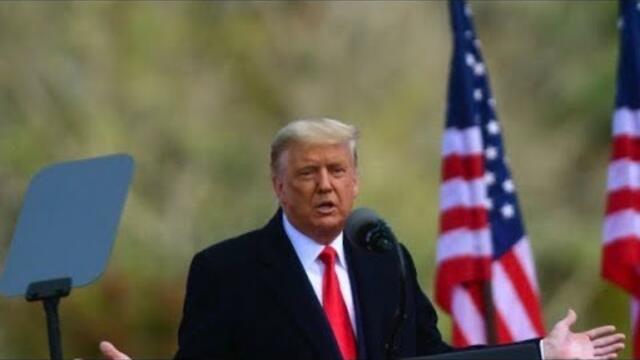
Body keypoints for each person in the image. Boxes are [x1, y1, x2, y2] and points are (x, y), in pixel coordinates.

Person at [100, 118, 625, 360]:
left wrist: (540, 354)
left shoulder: (383, 258)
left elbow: (431, 359)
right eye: (307, 173)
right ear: (279, 186)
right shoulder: (227, 269)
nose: (324, 185)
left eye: (336, 170)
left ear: (356, 182)